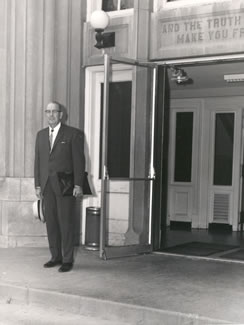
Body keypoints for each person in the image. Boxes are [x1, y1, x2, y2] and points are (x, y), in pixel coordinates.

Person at [34, 101, 85, 272]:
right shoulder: (40, 135)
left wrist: (78, 184)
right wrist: (37, 184)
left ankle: (68, 259)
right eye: (48, 111)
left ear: (61, 114)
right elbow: (38, 162)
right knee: (52, 224)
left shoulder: (73, 134)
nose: (51, 115)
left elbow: (79, 161)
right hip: (47, 186)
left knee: (66, 223)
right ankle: (55, 257)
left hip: (65, 186)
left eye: (54, 111)